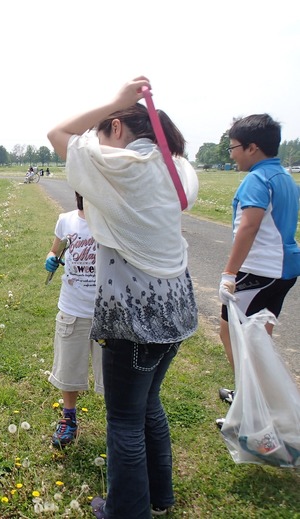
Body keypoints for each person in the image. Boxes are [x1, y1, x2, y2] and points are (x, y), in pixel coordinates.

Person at [47, 77, 199, 519]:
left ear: (116, 128)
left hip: (134, 317)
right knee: (149, 406)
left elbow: (58, 134)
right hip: (176, 311)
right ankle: (159, 497)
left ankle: (125, 511)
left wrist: (115, 101)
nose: (98, 141)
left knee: (125, 421)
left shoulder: (125, 168)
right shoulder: (179, 170)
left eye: (103, 132)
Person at [216, 114, 300, 420]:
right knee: (259, 337)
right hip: (284, 269)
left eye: (233, 147)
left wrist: (229, 274)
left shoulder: (256, 178)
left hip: (260, 270)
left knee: (232, 333)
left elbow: (248, 227)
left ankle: (252, 405)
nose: (232, 153)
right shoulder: (284, 177)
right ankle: (260, 400)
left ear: (252, 148)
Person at [45, 192, 102, 449]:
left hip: (105, 311)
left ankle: (121, 422)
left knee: (111, 374)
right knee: (68, 367)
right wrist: (51, 258)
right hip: (72, 308)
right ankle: (69, 418)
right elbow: (55, 249)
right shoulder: (65, 220)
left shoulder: (110, 221)